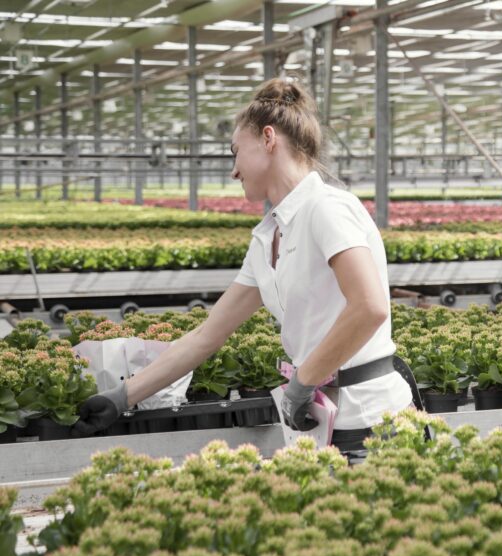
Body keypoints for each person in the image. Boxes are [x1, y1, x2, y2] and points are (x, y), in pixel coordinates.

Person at [73, 78, 414, 457]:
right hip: (320, 425)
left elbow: (369, 306)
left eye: (236, 152)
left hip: (373, 421)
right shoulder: (268, 237)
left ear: (268, 139)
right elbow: (206, 336)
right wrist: (122, 396)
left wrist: (303, 380)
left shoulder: (326, 208)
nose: (234, 171)